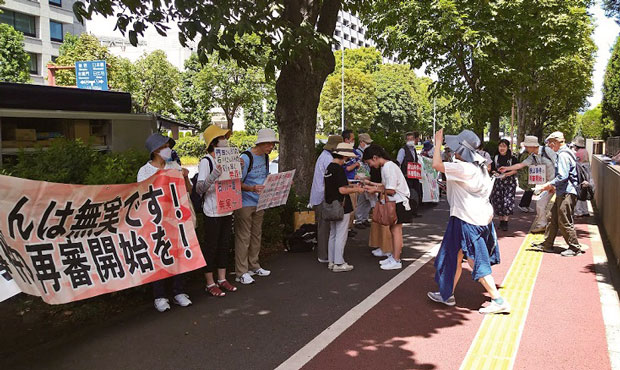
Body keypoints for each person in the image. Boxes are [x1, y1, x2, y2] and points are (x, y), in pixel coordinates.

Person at [427, 129, 509, 314]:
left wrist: (437, 142)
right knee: (455, 256)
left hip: (468, 219)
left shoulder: (464, 168)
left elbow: (436, 165)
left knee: (475, 260)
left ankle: (497, 299)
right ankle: (447, 293)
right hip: (474, 217)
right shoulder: (478, 166)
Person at [137, 133, 193, 312]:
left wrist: (184, 177)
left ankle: (179, 291)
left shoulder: (174, 165)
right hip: (156, 222)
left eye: (168, 145)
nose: (168, 149)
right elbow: (141, 196)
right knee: (159, 256)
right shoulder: (144, 171)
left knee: (178, 255)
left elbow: (188, 192)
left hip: (176, 220)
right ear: (155, 151)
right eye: (164, 147)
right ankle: (160, 296)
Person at [195, 125, 238, 297]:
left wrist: (237, 167)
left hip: (228, 209)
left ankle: (222, 278)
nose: (225, 140)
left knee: (224, 245)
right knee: (211, 246)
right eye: (222, 137)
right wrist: (214, 174)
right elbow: (199, 188)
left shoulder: (228, 158)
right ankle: (209, 282)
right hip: (212, 211)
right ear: (214, 142)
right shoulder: (206, 161)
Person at [234, 128, 278, 284]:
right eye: (269, 144)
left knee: (256, 235)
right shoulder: (245, 158)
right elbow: (236, 183)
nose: (271, 147)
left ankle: (254, 266)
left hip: (260, 201)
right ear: (261, 143)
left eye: (272, 144)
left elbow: (264, 177)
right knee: (243, 237)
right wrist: (252, 188)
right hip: (245, 202)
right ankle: (241, 271)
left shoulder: (265, 157)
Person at [532, 131, 584, 257]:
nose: (549, 145)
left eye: (550, 143)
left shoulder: (563, 155)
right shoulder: (567, 153)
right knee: (552, 217)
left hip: (567, 192)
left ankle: (574, 247)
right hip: (564, 191)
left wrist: (547, 185)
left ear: (556, 142)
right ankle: (547, 244)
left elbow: (562, 176)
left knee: (564, 219)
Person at [363, 144, 412, 270]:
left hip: (398, 202)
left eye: (369, 162)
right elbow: (387, 186)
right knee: (394, 231)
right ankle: (394, 256)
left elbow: (390, 190)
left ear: (374, 157)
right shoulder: (388, 166)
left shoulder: (388, 167)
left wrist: (374, 189)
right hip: (398, 202)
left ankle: (396, 259)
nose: (370, 165)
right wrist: (373, 185)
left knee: (396, 231)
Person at [499, 136, 557, 233]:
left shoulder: (547, 151)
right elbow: (521, 165)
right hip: (547, 184)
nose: (525, 148)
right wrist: (506, 168)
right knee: (540, 203)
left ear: (533, 146)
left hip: (557, 182)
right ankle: (543, 225)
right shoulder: (532, 156)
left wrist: (556, 183)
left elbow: (557, 164)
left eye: (527, 146)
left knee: (559, 208)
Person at [324, 143, 366, 272]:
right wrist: (357, 189)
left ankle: (331, 261)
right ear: (343, 156)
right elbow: (342, 190)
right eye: (346, 158)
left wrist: (351, 186)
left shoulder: (329, 168)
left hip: (330, 204)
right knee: (341, 235)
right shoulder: (338, 169)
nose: (347, 160)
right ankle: (339, 263)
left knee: (333, 234)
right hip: (341, 205)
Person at [310, 135, 344, 264]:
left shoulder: (324, 156)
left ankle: (325, 254)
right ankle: (324, 255)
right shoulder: (329, 159)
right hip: (324, 196)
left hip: (321, 195)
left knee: (325, 227)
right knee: (324, 228)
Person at [490, 139, 518, 231]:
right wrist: (496, 173)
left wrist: (505, 174)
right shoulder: (495, 157)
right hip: (498, 182)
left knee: (507, 201)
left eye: (504, 146)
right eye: (500, 146)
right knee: (498, 201)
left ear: (507, 147)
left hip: (509, 183)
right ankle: (501, 221)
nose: (502, 148)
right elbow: (492, 169)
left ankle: (505, 222)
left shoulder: (512, 158)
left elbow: (515, 170)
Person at [341, 129, 362, 237]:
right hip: (347, 183)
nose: (354, 141)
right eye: (352, 139)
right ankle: (347, 229)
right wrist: (355, 165)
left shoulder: (353, 152)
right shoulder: (342, 153)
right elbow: (347, 168)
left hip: (354, 181)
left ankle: (350, 227)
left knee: (354, 207)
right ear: (346, 139)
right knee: (350, 208)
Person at [396, 132, 422, 217]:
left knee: (416, 193)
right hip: (406, 176)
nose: (410, 141)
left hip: (414, 176)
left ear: (415, 140)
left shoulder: (414, 150)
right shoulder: (403, 150)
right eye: (408, 139)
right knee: (408, 193)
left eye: (412, 139)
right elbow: (398, 162)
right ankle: (408, 212)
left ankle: (414, 211)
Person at [354, 133, 375, 228]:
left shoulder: (365, 152)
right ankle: (359, 219)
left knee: (367, 200)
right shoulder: (357, 153)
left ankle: (364, 218)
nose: (368, 145)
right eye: (367, 143)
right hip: (361, 178)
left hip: (366, 177)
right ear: (361, 142)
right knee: (361, 200)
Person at [573, 136, 591, 217]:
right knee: (584, 193)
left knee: (579, 193)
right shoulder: (585, 151)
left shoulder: (578, 153)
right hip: (586, 175)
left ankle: (578, 211)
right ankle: (585, 211)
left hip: (581, 175)